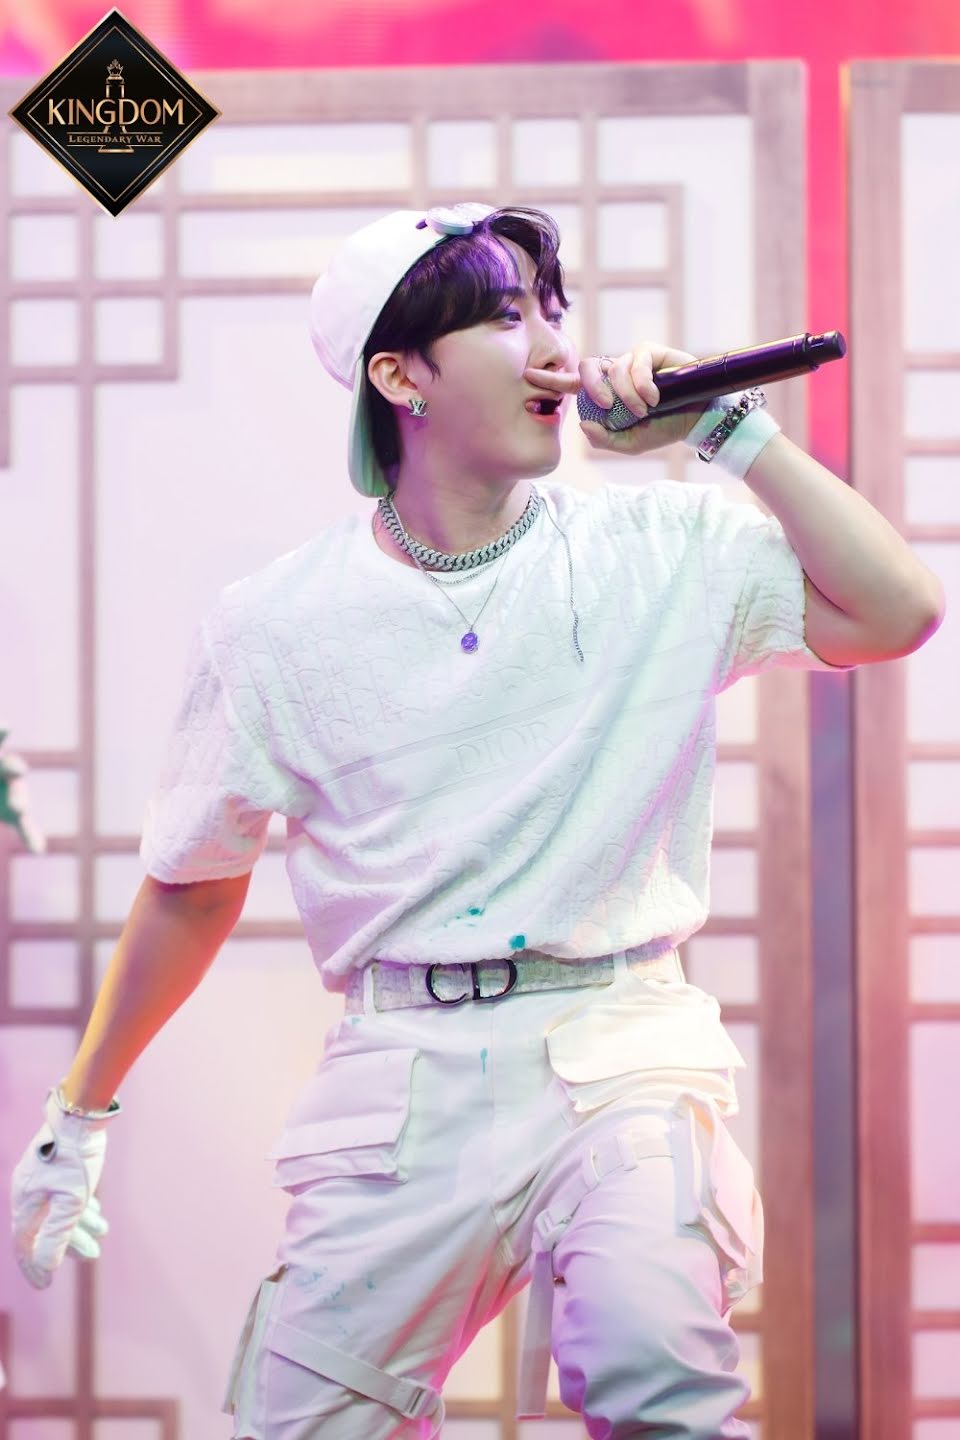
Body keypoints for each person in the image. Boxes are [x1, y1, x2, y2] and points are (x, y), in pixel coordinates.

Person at [10, 201, 944, 1440]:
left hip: (621, 1048)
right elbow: (193, 886)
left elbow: (897, 610)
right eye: (507, 317)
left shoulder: (661, 546)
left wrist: (729, 428)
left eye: (555, 309)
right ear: (401, 376)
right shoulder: (275, 625)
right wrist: (78, 1113)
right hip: (402, 1080)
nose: (557, 345)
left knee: (657, 1376)